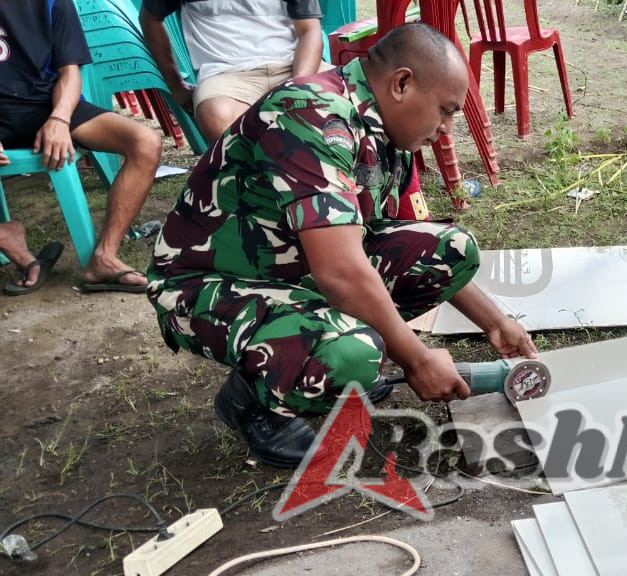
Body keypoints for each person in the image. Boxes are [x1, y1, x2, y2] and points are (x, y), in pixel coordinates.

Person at [146, 22, 538, 469]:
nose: (446, 129)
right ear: (402, 83)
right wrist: (417, 357)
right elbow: (341, 272)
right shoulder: (311, 116)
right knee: (355, 350)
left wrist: (496, 323)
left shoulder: (385, 128)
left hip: (291, 268)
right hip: (204, 285)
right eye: (445, 111)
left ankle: (311, 342)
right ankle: (253, 403)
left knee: (451, 250)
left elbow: (410, 234)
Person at [0, 0, 163, 295]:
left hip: (46, 104)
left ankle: (104, 258)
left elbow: (69, 71)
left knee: (145, 142)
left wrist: (59, 117)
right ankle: (13, 244)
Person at [139, 0, 328, 142]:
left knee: (345, 103)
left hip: (295, 64)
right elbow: (150, 18)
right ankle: (259, 181)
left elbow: (310, 30)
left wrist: (297, 87)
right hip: (226, 73)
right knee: (217, 117)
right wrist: (175, 85)